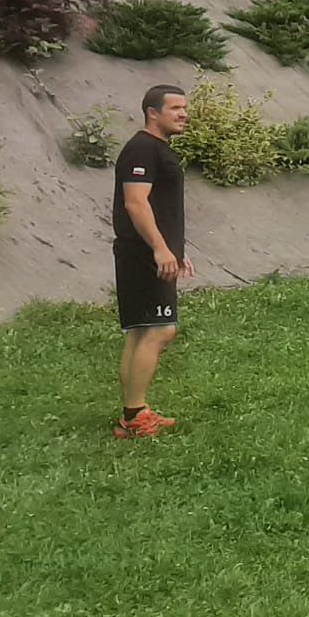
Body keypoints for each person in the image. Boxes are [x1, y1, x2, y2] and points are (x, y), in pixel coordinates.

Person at [111, 85, 192, 439]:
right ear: (152, 113)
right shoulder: (142, 149)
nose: (184, 114)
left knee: (141, 330)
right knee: (160, 329)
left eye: (185, 108)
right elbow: (135, 202)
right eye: (175, 108)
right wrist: (160, 249)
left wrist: (175, 248)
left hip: (148, 251)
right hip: (142, 253)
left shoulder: (156, 148)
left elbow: (159, 206)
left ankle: (134, 411)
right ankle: (134, 417)